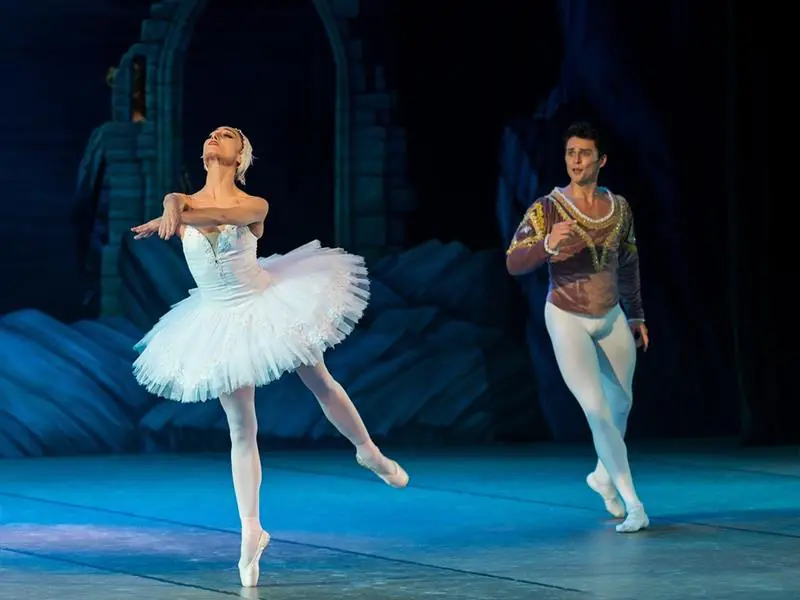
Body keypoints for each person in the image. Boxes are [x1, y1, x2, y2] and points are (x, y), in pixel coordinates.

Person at [130, 126, 409, 587]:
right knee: (241, 427)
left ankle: (368, 451)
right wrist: (171, 201)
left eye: (228, 135)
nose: (217, 136)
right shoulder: (183, 201)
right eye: (212, 134)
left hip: (265, 300)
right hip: (217, 318)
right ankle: (251, 530)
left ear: (241, 157)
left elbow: (216, 212)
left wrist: (175, 206)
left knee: (319, 379)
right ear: (204, 153)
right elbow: (181, 204)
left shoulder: (253, 205)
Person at [505, 121, 650, 533]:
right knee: (596, 410)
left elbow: (629, 263)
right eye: (571, 153)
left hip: (611, 317)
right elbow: (513, 261)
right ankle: (633, 503)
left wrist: (636, 314)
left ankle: (603, 476)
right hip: (567, 315)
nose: (576, 161)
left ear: (601, 160)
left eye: (584, 154)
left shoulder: (619, 207)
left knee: (621, 405)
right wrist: (548, 244)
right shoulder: (548, 208)